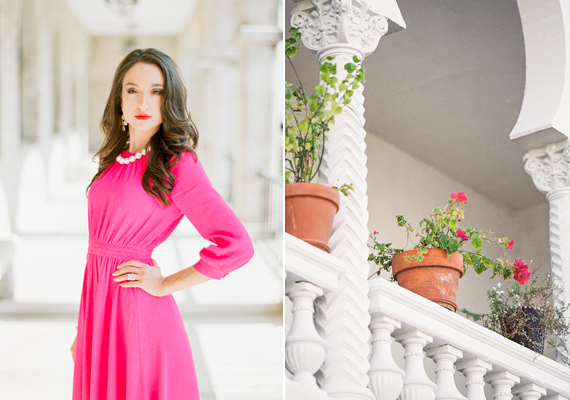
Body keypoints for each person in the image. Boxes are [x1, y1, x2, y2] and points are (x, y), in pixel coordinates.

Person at [70, 48, 254, 400]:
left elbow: (238, 246)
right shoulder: (112, 158)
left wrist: (164, 284)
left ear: (169, 99)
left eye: (156, 91)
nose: (144, 100)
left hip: (138, 314)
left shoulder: (177, 164)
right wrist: (85, 328)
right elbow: (98, 254)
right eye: (132, 90)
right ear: (119, 100)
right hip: (100, 312)